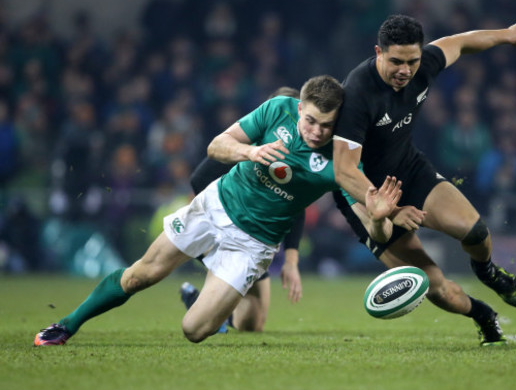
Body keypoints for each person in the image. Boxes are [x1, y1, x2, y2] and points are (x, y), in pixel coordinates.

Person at [34, 75, 406, 346]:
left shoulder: (343, 161)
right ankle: (66, 325)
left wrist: (379, 217)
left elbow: (378, 237)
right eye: (309, 121)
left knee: (194, 330)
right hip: (216, 207)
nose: (316, 132)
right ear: (299, 108)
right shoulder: (277, 109)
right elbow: (217, 145)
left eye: (326, 126)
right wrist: (250, 152)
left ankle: (205, 300)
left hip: (253, 246)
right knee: (140, 276)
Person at [332, 14, 516, 346]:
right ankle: (483, 316)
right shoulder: (357, 93)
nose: (405, 70)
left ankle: (488, 272)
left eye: (412, 61)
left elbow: (462, 41)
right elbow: (344, 171)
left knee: (476, 232)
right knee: (431, 283)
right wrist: (392, 212)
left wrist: (506, 34)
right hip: (363, 196)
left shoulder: (424, 63)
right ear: (378, 52)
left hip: (408, 169)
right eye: (396, 61)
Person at [180, 86, 304, 333]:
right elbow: (199, 179)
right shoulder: (250, 146)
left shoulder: (299, 156)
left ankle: (200, 303)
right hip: (228, 231)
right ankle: (206, 311)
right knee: (215, 311)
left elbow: (295, 207)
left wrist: (291, 260)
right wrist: (228, 214)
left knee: (252, 324)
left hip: (256, 241)